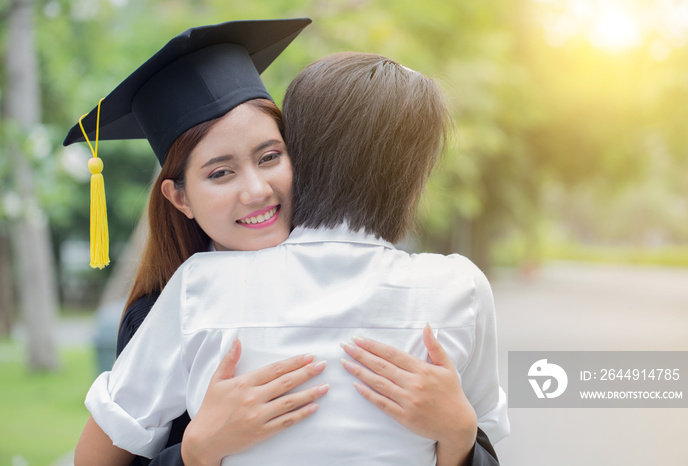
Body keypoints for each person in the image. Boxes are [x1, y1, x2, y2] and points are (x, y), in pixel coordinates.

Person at [65, 20, 505, 466]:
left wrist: (459, 436)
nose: (256, 190)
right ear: (180, 198)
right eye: (220, 173)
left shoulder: (416, 293)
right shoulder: (170, 305)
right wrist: (197, 451)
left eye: (270, 156)